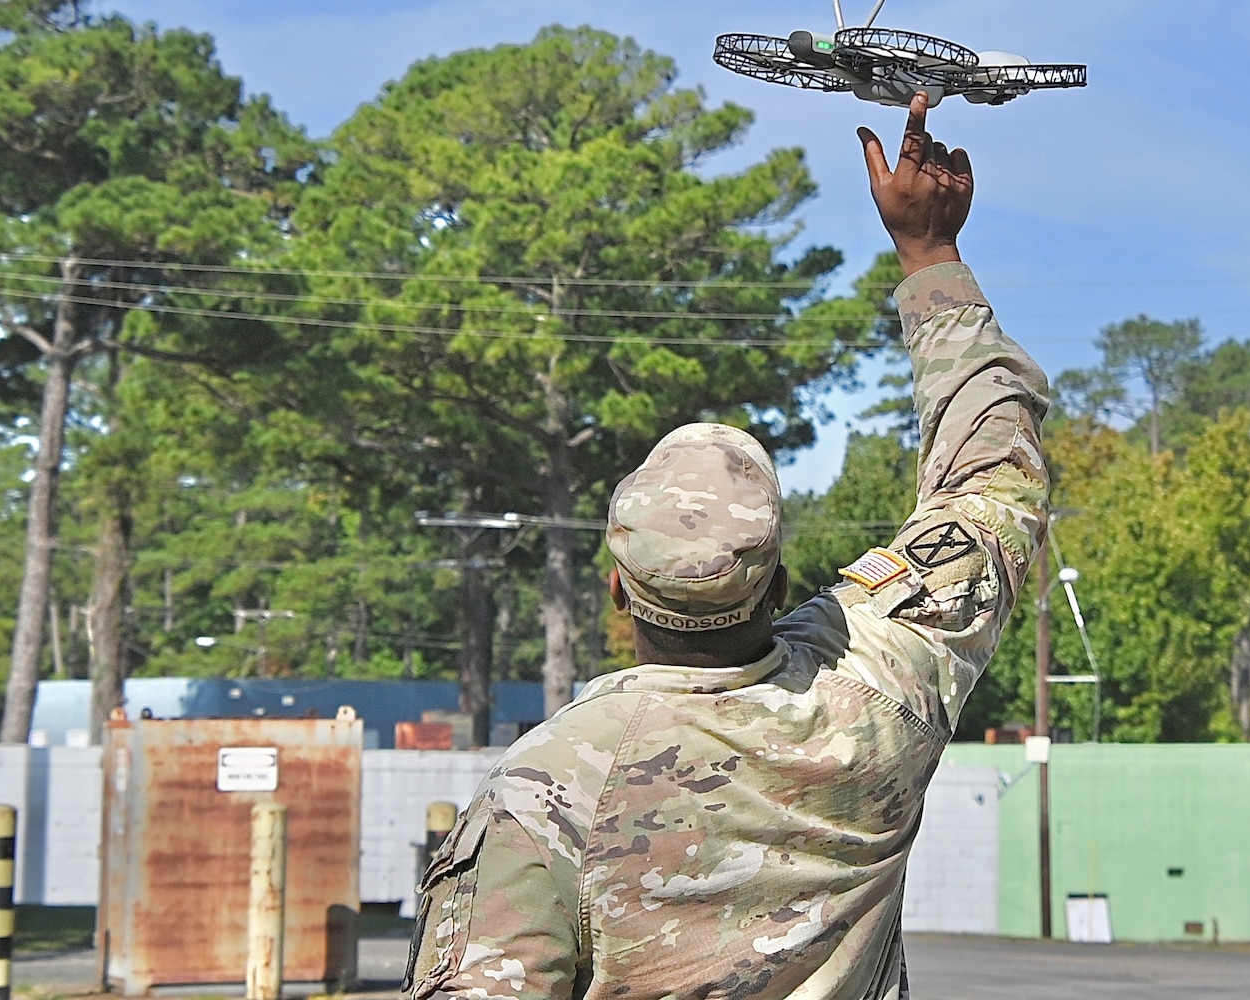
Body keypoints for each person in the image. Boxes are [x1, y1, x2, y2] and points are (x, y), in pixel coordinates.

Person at [404, 93, 1049, 1000]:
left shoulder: (549, 787)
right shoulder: (878, 688)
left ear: (619, 591)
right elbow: (993, 480)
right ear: (778, 580)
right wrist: (931, 257)